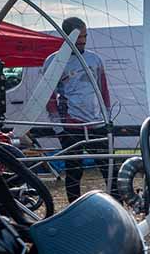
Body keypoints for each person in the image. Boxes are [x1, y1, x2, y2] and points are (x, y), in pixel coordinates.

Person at [42, 17, 114, 203]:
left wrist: (107, 117)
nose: (82, 40)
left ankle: (118, 203)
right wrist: (58, 127)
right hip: (70, 125)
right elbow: (48, 97)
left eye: (85, 36)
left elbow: (103, 90)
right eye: (78, 37)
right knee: (74, 171)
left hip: (96, 123)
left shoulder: (94, 59)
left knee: (107, 167)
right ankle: (73, 208)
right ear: (66, 36)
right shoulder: (54, 61)